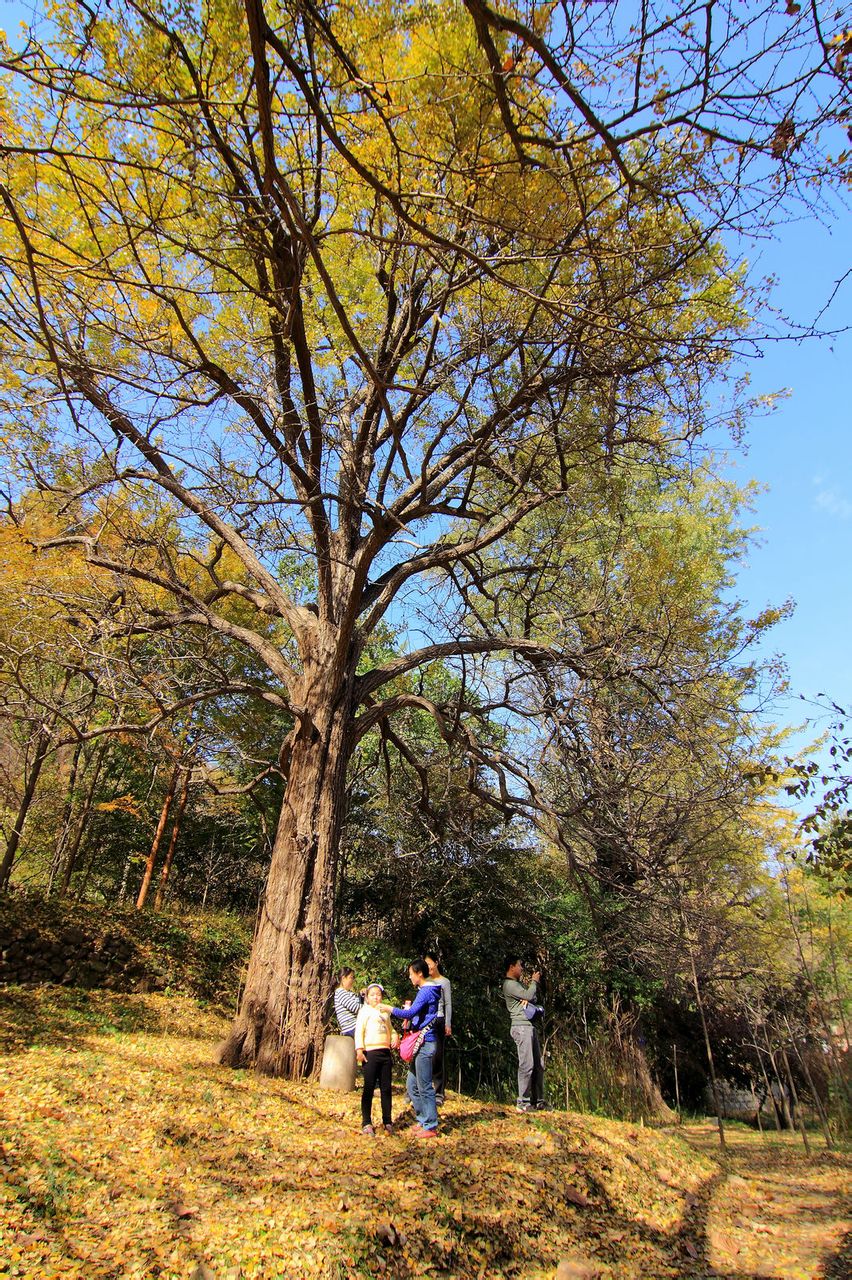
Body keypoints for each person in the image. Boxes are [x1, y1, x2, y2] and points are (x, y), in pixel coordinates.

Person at [386, 960, 442, 1136]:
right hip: (421, 1043)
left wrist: (389, 1009)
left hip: (426, 1043)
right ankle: (423, 1118)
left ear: (419, 974)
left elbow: (410, 1013)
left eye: (411, 973)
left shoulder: (426, 991)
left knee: (424, 1086)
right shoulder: (425, 991)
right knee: (412, 1085)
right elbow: (418, 1014)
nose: (410, 977)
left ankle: (431, 1125)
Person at [502, 954, 546, 1112]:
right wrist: (534, 982)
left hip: (529, 1026)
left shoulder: (517, 985)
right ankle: (523, 1103)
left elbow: (531, 998)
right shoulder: (509, 985)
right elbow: (529, 995)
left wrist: (528, 995)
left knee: (538, 1065)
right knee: (527, 1065)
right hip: (521, 1027)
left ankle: (538, 1101)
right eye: (519, 965)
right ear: (511, 967)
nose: (521, 969)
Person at [354, 983, 398, 1136]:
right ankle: (366, 1122)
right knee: (369, 1087)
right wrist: (359, 1050)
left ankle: (387, 1121)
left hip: (385, 1053)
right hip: (370, 1053)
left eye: (378, 994)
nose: (376, 997)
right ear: (367, 997)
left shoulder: (385, 1012)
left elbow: (391, 1029)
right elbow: (359, 1031)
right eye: (372, 995)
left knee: (386, 1088)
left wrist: (395, 1037)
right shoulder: (364, 1012)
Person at [424, 950, 452, 1105]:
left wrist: (448, 1023)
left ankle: (439, 1092)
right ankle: (425, 1090)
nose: (428, 967)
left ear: (436, 963)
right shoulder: (425, 981)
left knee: (438, 1056)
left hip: (439, 1019)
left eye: (429, 964)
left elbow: (448, 1003)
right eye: (425, 964)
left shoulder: (444, 982)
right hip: (427, 1021)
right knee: (426, 1055)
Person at [333, 966, 361, 1037]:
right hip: (351, 1027)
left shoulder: (349, 993)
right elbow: (355, 1007)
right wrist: (370, 1008)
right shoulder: (340, 992)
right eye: (351, 977)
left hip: (356, 1025)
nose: (353, 980)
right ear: (343, 978)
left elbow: (358, 1003)